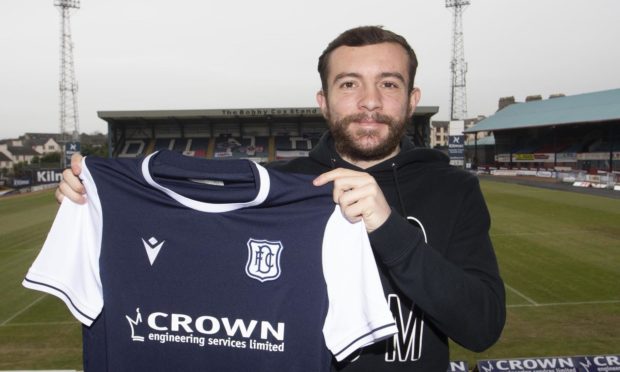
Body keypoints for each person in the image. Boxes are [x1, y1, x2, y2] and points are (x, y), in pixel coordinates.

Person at [56, 25, 505, 371]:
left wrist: (390, 230)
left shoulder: (454, 189)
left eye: (388, 84)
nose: (369, 101)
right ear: (323, 101)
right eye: (349, 84)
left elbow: (481, 327)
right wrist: (96, 203)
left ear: (412, 99)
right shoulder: (275, 188)